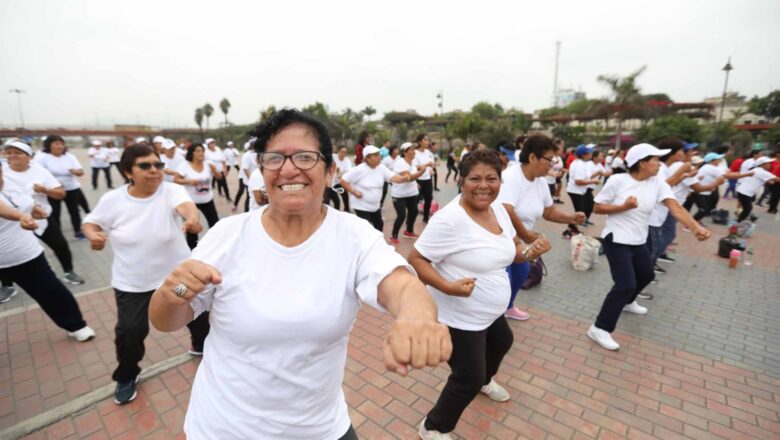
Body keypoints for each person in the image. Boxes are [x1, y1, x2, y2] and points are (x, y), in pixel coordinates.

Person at [147, 108, 451, 439]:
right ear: (262, 171)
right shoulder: (227, 234)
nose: (290, 169)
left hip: (320, 428)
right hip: (224, 427)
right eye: (275, 159)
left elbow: (402, 285)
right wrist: (173, 292)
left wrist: (418, 317)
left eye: (305, 157)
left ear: (331, 170)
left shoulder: (353, 235)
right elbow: (166, 321)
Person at [409, 149, 550, 439]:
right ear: (461, 180)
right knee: (466, 377)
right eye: (475, 178)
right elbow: (416, 259)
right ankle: (433, 427)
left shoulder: (499, 209)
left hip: (488, 311)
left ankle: (486, 380)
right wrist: (447, 287)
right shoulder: (450, 219)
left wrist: (529, 252)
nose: (484, 185)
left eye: (492, 178)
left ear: (500, 181)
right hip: (458, 315)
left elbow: (510, 252)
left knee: (503, 341)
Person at [82, 144, 209, 404]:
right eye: (145, 166)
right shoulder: (113, 200)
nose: (154, 171)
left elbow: (186, 207)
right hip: (133, 284)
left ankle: (200, 345)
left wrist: (192, 220)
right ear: (128, 171)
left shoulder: (171, 190)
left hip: (175, 280)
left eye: (158, 165)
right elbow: (90, 222)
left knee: (198, 317)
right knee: (130, 331)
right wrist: (93, 234)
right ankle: (127, 375)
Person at [588, 144, 711, 351]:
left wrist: (695, 226)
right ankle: (600, 327)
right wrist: (623, 207)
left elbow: (675, 207)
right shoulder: (618, 181)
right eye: (655, 159)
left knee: (646, 275)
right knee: (625, 284)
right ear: (642, 163)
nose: (659, 164)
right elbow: (596, 206)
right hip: (616, 240)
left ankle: (627, 302)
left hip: (638, 241)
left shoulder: (657, 183)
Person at [0, 160, 96, 338]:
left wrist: (33, 209)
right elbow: (4, 209)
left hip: (25, 255)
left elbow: (20, 200)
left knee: (51, 291)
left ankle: (76, 326)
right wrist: (20, 215)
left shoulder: (10, 182)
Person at [497, 135, 586, 321]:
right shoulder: (511, 177)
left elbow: (548, 211)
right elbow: (506, 210)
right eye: (549, 159)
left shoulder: (541, 182)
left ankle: (508, 306)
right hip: (501, 237)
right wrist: (526, 235)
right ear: (532, 158)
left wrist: (571, 218)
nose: (552, 165)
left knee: (521, 273)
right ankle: (495, 313)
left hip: (521, 240)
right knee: (503, 278)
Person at [1, 140, 85, 295]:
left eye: (17, 152)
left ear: (29, 157)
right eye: (9, 152)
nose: (12, 155)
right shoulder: (2, 171)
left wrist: (45, 189)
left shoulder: (39, 171)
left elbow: (61, 194)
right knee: (5, 251)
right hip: (12, 220)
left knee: (60, 245)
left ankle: (68, 272)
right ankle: (7, 286)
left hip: (41, 217)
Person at [339, 145, 408, 232]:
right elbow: (343, 180)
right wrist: (354, 192)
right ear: (367, 158)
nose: (379, 157)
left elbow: (393, 178)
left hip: (375, 206)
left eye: (379, 155)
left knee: (379, 225)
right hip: (361, 206)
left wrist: (403, 179)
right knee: (365, 228)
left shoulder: (381, 168)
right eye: (375, 155)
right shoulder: (359, 169)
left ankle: (376, 244)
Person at [34, 135, 90, 240]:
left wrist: (76, 172)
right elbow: (37, 173)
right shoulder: (42, 157)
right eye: (56, 144)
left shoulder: (69, 157)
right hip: (53, 191)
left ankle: (78, 231)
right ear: (49, 145)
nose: (60, 146)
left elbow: (81, 171)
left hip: (71, 188)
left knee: (74, 211)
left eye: (61, 144)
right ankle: (57, 235)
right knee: (55, 212)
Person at [175, 143, 221, 249]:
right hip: (191, 202)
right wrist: (189, 181)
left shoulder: (209, 164)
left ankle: (215, 246)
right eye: (198, 151)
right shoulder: (184, 165)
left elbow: (219, 177)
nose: (201, 153)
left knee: (215, 224)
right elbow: (176, 179)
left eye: (202, 151)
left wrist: (214, 170)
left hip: (207, 200)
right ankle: (193, 250)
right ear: (192, 153)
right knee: (192, 227)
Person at [692, 153, 751, 221]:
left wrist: (742, 174)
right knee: (703, 210)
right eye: (718, 160)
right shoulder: (710, 168)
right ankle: (690, 225)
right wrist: (747, 174)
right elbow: (728, 176)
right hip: (700, 192)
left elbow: (728, 174)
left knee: (705, 209)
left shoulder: (711, 167)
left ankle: (696, 222)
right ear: (712, 161)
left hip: (704, 191)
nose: (719, 161)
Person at [390, 142, 426, 244]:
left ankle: (408, 231)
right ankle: (393, 235)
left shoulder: (413, 161)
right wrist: (422, 171)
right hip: (399, 195)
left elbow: (417, 167)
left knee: (414, 212)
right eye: (411, 150)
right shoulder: (400, 163)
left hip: (412, 193)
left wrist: (421, 167)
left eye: (414, 150)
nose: (414, 152)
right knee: (401, 215)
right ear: (404, 152)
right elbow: (409, 178)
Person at [564, 144, 601, 238]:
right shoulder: (579, 164)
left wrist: (594, 176)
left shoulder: (584, 163)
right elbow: (578, 181)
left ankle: (572, 227)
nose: (591, 154)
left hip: (581, 191)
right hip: (575, 191)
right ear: (584, 154)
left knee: (588, 207)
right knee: (581, 212)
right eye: (589, 152)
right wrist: (593, 181)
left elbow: (586, 177)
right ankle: (569, 229)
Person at [736, 157, 779, 222]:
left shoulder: (757, 169)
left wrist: (769, 181)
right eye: (768, 163)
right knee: (747, 209)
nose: (770, 164)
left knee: (747, 208)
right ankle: (737, 223)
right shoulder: (762, 172)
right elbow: (777, 179)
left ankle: (741, 217)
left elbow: (767, 180)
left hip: (743, 191)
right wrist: (772, 180)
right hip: (745, 193)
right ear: (762, 164)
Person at [232, 139, 258, 213]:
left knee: (250, 196)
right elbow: (245, 169)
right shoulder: (247, 155)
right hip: (245, 178)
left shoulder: (258, 153)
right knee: (243, 193)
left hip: (253, 178)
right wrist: (252, 180)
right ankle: (238, 207)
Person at [415, 133, 436, 223]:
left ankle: (426, 217)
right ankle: (410, 220)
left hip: (427, 179)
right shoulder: (414, 153)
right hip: (417, 179)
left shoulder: (428, 153)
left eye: (428, 140)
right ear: (420, 141)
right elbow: (416, 167)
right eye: (425, 140)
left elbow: (432, 163)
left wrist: (431, 169)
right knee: (415, 201)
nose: (427, 142)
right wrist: (427, 165)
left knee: (429, 198)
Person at [332, 145, 353, 211]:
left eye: (345, 152)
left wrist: (340, 174)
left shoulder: (347, 161)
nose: (343, 154)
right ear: (338, 151)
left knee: (344, 193)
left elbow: (348, 173)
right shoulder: (333, 157)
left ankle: (347, 209)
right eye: (342, 151)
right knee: (335, 200)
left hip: (339, 183)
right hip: (330, 183)